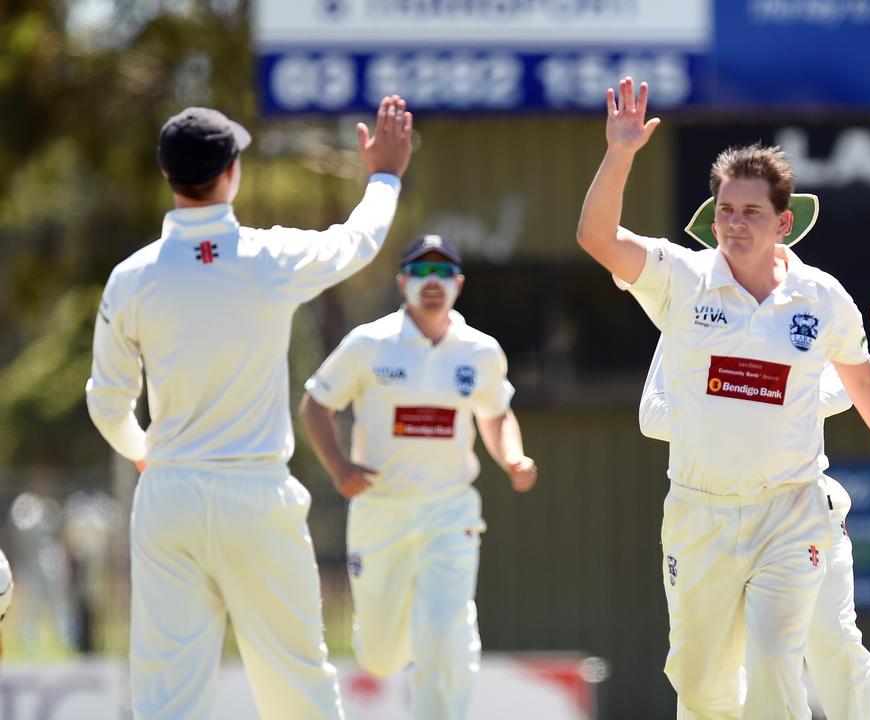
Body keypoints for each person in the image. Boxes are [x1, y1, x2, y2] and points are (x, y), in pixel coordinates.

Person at [578, 76, 870, 719]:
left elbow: (862, 379)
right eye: (725, 211)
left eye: (751, 213)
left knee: (777, 660)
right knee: (702, 689)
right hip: (700, 516)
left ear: (784, 223)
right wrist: (620, 153)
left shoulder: (821, 296)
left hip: (791, 510)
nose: (735, 225)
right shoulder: (681, 279)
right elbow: (598, 238)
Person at [86, 97, 414, 719]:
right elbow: (359, 241)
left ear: (167, 176)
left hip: (171, 496)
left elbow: (107, 403)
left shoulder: (133, 278)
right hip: (256, 494)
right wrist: (385, 175)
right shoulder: (268, 259)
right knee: (298, 689)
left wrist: (144, 453)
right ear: (231, 172)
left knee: (167, 699)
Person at [299, 234, 536, 720]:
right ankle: (410, 629)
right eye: (422, 272)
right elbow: (315, 405)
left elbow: (494, 415)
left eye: (444, 273)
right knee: (380, 657)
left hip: (449, 511)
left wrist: (512, 457)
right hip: (380, 511)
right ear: (403, 281)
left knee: (446, 634)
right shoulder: (369, 343)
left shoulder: (480, 351)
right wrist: (340, 468)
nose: (433, 282)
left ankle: (444, 636)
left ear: (459, 284)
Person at [640, 338, 870, 720]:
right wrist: (730, 413)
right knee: (703, 677)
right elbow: (652, 413)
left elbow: (847, 384)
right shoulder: (690, 303)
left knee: (830, 642)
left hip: (799, 509)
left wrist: (769, 402)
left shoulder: (808, 294)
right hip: (708, 518)